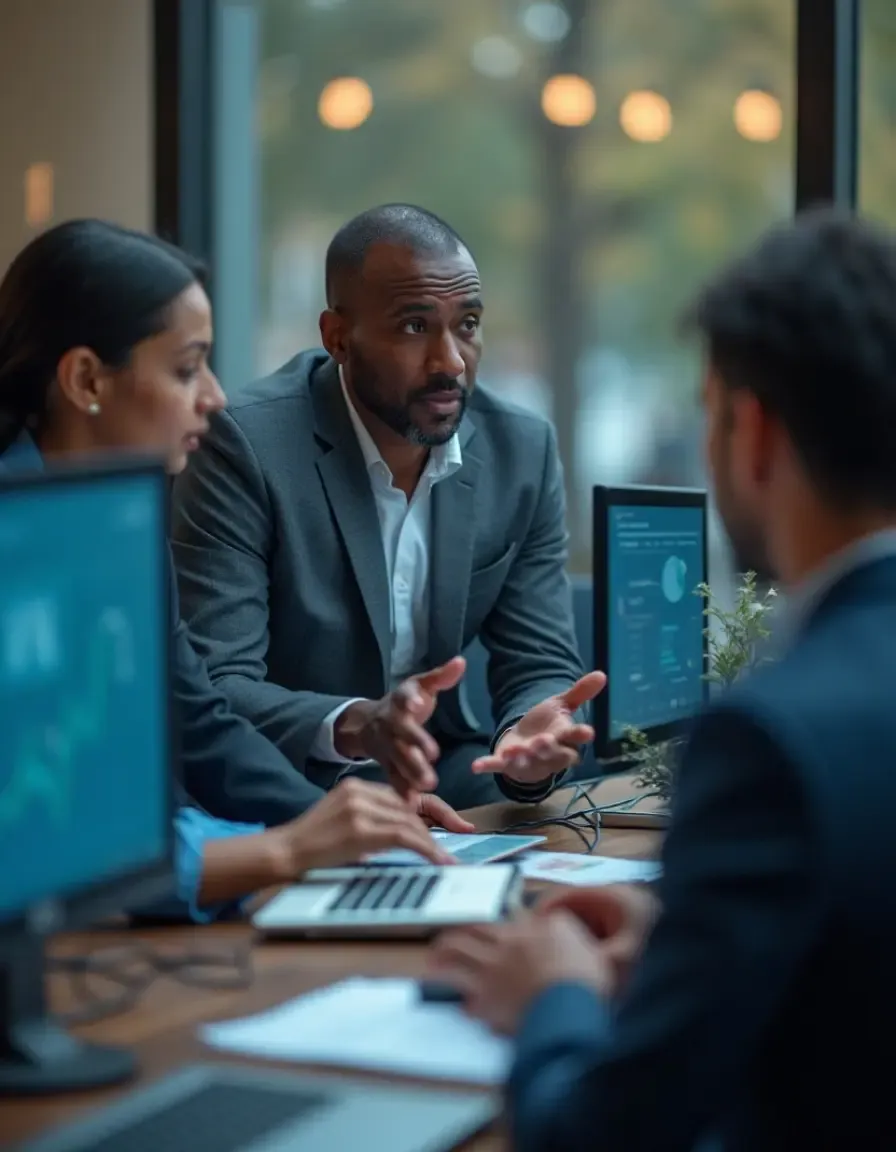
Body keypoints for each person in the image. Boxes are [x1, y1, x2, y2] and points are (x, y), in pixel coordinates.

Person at [428, 208, 896, 1152]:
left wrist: (552, 996)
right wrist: (693, 939)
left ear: (752, 432)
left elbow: (597, 1138)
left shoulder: (770, 739)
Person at [0, 218, 472, 922]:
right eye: (187, 368)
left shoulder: (115, 527)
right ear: (87, 378)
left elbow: (199, 723)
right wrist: (288, 850)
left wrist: (346, 826)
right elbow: (39, 840)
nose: (216, 397)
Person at [171, 204, 604, 810]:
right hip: (287, 782)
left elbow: (539, 660)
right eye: (414, 327)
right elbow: (219, 686)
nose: (450, 361)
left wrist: (528, 743)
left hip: (441, 770)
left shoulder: (521, 451)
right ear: (337, 338)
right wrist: (359, 723)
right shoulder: (244, 446)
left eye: (468, 324)